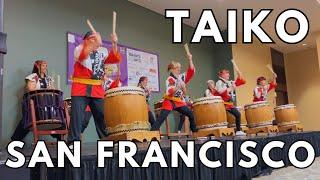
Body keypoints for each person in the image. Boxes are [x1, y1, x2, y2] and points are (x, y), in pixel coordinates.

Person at [68, 31, 121, 145]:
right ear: (90, 39)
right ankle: (73, 143)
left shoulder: (100, 53)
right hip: (80, 88)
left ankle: (107, 141)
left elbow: (113, 59)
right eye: (97, 39)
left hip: (97, 89)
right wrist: (92, 43)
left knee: (102, 116)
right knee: (77, 116)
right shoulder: (79, 48)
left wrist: (114, 44)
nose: (99, 43)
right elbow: (83, 56)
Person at [150, 54, 197, 133]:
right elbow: (170, 91)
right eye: (177, 68)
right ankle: (150, 134)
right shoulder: (170, 79)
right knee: (161, 118)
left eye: (179, 68)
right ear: (172, 69)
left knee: (190, 114)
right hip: (169, 101)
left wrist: (190, 59)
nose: (179, 69)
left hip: (179, 101)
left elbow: (191, 71)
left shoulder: (181, 77)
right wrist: (179, 86)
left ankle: (195, 131)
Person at [11, 60, 54, 141]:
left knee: (54, 120)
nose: (45, 67)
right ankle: (15, 140)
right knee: (27, 121)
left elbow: (52, 90)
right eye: (43, 65)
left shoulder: (48, 78)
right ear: (38, 66)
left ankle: (60, 138)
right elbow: (30, 89)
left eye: (46, 65)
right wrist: (42, 92)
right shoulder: (33, 77)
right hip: (34, 103)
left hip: (47, 104)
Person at [215, 69, 246, 136]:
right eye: (226, 73)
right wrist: (231, 88)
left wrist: (239, 75)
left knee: (238, 114)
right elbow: (220, 91)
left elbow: (241, 82)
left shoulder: (229, 82)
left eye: (228, 73)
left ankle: (238, 131)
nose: (228, 74)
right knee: (223, 118)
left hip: (228, 103)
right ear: (221, 75)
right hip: (221, 103)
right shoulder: (219, 82)